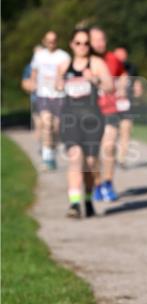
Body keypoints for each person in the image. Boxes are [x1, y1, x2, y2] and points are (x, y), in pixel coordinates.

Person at [56, 28, 113, 219]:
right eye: (78, 43)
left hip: (92, 120)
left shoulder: (96, 63)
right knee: (75, 157)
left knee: (89, 163)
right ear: (71, 44)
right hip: (70, 118)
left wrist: (94, 79)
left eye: (86, 43)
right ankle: (74, 204)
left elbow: (110, 87)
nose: (82, 47)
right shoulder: (64, 65)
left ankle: (88, 200)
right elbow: (57, 85)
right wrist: (59, 84)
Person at [89, 27, 126, 201]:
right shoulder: (84, 61)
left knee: (109, 147)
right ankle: (97, 183)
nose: (100, 43)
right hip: (89, 112)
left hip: (110, 109)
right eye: (96, 40)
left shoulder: (112, 58)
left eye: (102, 39)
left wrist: (122, 87)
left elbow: (123, 74)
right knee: (92, 154)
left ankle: (108, 183)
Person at [29, 30, 68, 170]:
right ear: (44, 41)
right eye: (49, 40)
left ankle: (52, 150)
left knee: (56, 127)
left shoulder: (64, 56)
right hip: (43, 95)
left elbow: (66, 74)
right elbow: (34, 72)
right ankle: (47, 159)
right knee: (47, 124)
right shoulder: (39, 56)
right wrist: (33, 84)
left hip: (59, 95)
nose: (51, 43)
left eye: (54, 40)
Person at [113, 46, 143, 170]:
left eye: (123, 56)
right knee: (112, 133)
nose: (121, 58)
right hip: (111, 106)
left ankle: (121, 159)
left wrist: (137, 90)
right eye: (118, 56)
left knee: (126, 131)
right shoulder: (108, 68)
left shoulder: (132, 68)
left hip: (126, 106)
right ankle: (111, 155)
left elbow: (137, 84)